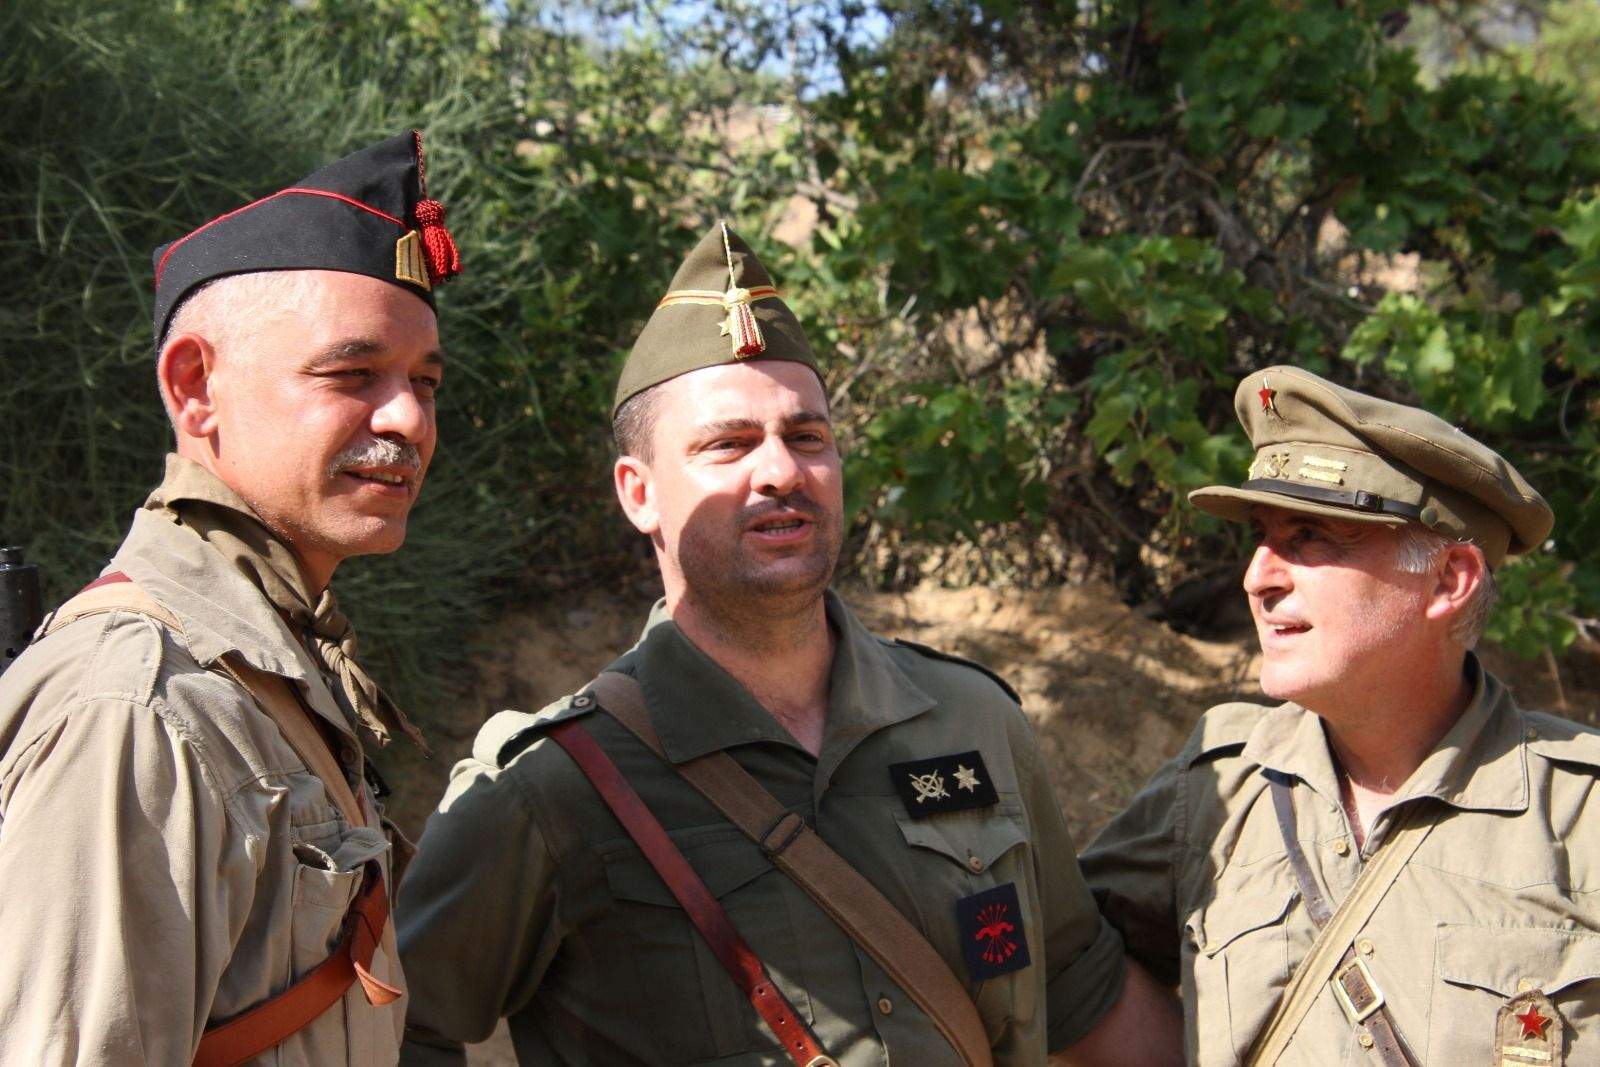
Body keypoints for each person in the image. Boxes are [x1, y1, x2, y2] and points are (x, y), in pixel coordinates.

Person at [396, 222, 1178, 1066]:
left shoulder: (971, 720)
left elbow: (1080, 988)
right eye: (728, 444)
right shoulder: (553, 784)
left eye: (807, 437)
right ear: (639, 492)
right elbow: (393, 1024)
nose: (780, 471)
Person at [0, 131, 461, 1065]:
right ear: (195, 388)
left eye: (424, 382)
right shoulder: (141, 704)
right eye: (351, 374)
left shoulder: (268, 658)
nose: (409, 418)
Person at [1079, 366, 1598, 1066]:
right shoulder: (1217, 786)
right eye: (1261, 536)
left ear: (1448, 580)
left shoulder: (1580, 813)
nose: (1257, 577)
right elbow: (1060, 966)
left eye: (1310, 536)